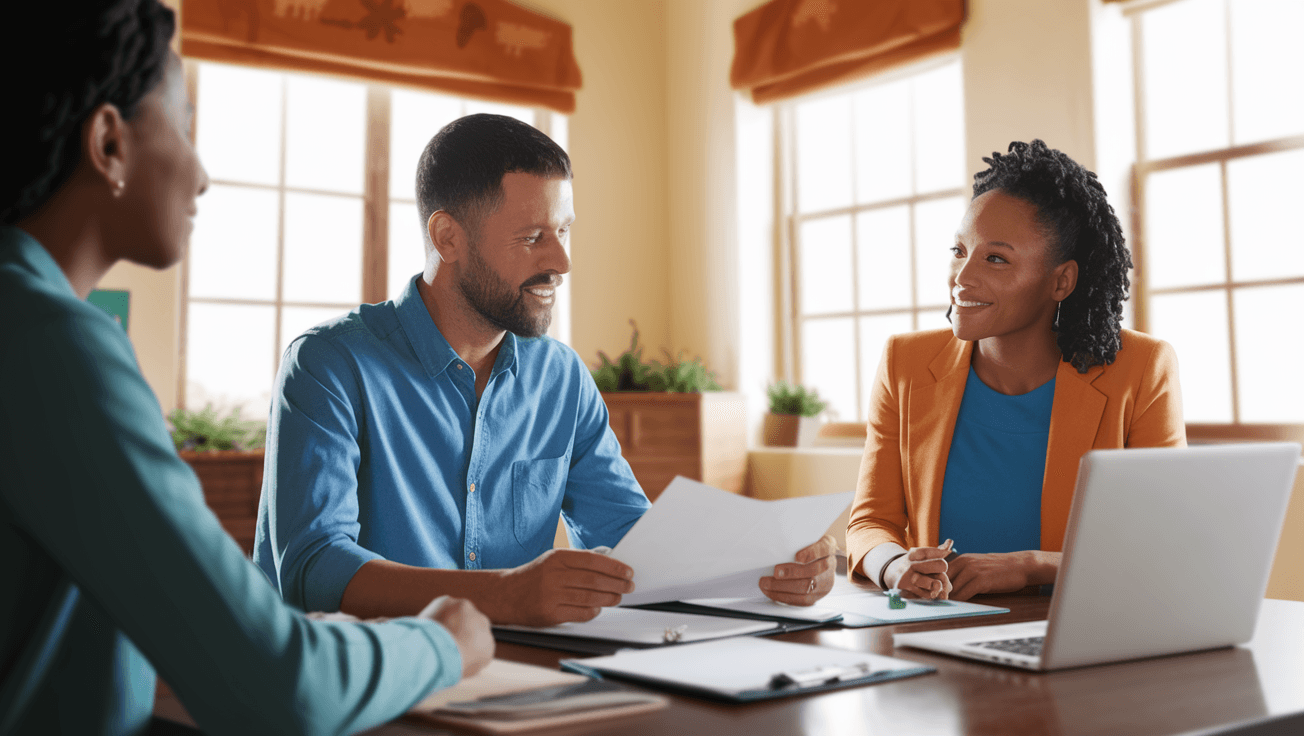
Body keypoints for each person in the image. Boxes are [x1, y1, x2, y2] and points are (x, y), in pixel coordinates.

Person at [0, 3, 493, 734]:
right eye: (184, 125)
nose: (200, 176)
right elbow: (281, 686)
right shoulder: (51, 347)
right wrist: (444, 641)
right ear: (108, 142)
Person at [255, 114, 837, 627]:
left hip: (516, 680)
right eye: (532, 237)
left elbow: (633, 539)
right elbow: (314, 569)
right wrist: (504, 595)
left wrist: (765, 569)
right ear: (447, 237)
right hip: (357, 682)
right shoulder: (328, 365)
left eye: (563, 231)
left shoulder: (561, 378)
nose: (561, 261)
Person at [846, 140, 1185, 602]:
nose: (962, 277)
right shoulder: (905, 363)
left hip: (1079, 628)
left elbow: (1162, 546)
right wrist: (893, 565)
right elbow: (870, 521)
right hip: (938, 628)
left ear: (1061, 280)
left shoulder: (1142, 369)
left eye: (996, 259)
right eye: (959, 250)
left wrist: (1029, 567)